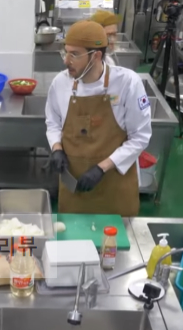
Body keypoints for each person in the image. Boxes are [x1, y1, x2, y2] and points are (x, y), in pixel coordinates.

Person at [45, 20, 151, 216]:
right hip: (75, 188)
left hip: (114, 186)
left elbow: (140, 137)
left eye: (74, 54)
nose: (66, 61)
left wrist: (101, 168)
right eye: (65, 52)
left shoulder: (127, 83)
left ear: (96, 56)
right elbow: (53, 123)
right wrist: (56, 148)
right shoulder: (60, 83)